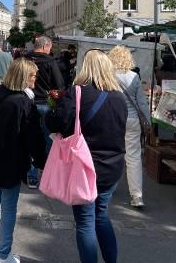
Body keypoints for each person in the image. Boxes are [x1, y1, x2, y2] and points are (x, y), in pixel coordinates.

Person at [46, 49, 127, 263]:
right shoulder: (119, 97)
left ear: (85, 67)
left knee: (85, 222)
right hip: (113, 167)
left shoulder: (78, 93)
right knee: (101, 215)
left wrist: (52, 111)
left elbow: (58, 124)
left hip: (85, 166)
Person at [0, 58, 45, 263]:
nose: (36, 79)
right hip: (12, 161)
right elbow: (33, 137)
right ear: (24, 76)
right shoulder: (24, 102)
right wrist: (42, 161)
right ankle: (4, 254)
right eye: (33, 75)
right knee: (8, 207)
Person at [108, 46, 150, 208]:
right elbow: (141, 102)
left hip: (113, 119)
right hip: (132, 119)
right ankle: (137, 196)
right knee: (133, 157)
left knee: (113, 154)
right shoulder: (134, 76)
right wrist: (147, 121)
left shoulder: (108, 76)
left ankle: (109, 187)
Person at [23, 35, 65, 188]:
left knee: (30, 137)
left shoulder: (24, 59)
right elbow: (60, 84)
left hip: (26, 101)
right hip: (45, 104)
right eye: (50, 47)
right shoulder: (50, 62)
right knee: (49, 139)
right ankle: (47, 174)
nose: (51, 50)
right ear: (45, 46)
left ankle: (31, 175)